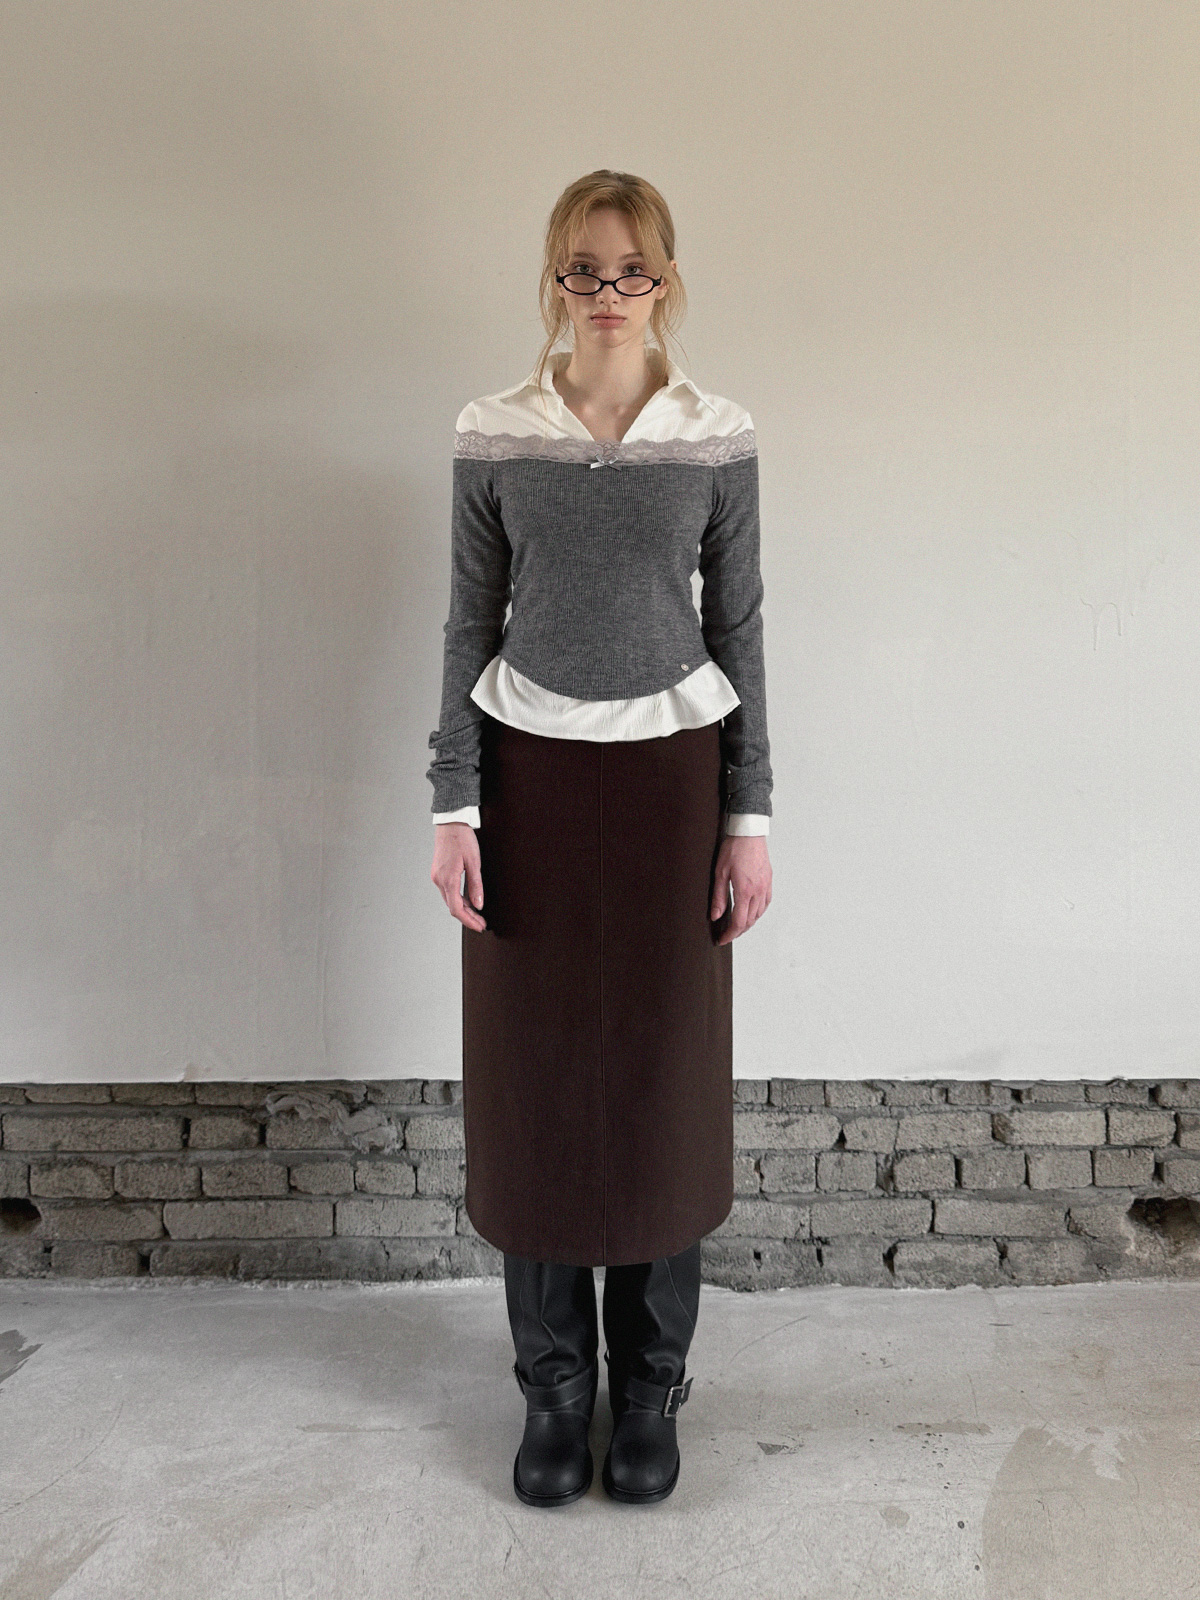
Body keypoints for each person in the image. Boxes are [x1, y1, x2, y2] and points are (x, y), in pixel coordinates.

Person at [427, 170, 773, 1508]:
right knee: (533, 1084)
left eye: (631, 270)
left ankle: (655, 1385)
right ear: (554, 279)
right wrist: (453, 804)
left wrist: (749, 817)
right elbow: (470, 622)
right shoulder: (494, 429)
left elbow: (739, 628)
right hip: (525, 779)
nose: (607, 292)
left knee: (661, 1080)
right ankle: (554, 1391)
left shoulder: (717, 434)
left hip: (677, 781)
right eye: (583, 269)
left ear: (666, 280)